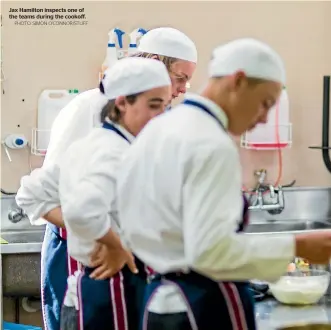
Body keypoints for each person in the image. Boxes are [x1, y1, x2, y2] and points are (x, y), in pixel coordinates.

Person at [116, 38, 331, 330]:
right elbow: (211, 253)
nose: (264, 118)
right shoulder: (210, 143)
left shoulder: (161, 128)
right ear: (237, 81)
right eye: (265, 103)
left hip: (160, 303)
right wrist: (296, 246)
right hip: (201, 305)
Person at [15, 27, 197, 330]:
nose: (182, 90)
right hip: (83, 259)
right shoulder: (86, 111)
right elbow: (45, 194)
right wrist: (107, 241)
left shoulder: (147, 127)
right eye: (179, 78)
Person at [58, 57, 172, 330]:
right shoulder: (113, 152)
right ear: (121, 103)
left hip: (109, 286)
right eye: (154, 106)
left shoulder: (100, 143)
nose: (161, 117)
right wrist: (115, 244)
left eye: (166, 107)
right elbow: (81, 211)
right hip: (114, 287)